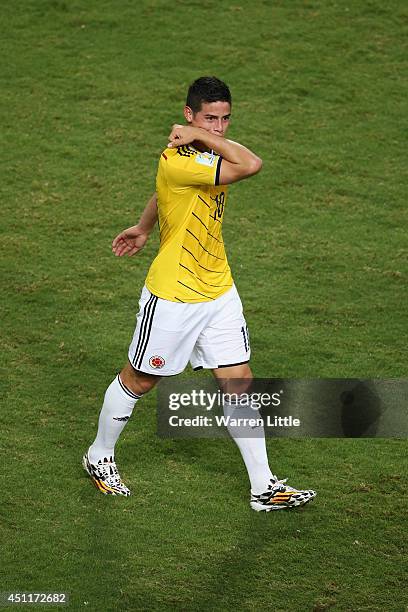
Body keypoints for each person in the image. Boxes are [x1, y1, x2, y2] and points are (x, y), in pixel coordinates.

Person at [83, 76, 316, 511]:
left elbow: (164, 193)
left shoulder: (204, 151)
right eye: (210, 118)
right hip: (173, 295)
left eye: (226, 119)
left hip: (218, 290)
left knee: (239, 384)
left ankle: (263, 487)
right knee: (141, 380)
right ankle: (99, 455)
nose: (220, 127)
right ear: (189, 115)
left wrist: (145, 226)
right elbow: (251, 164)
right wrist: (196, 138)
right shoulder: (180, 158)